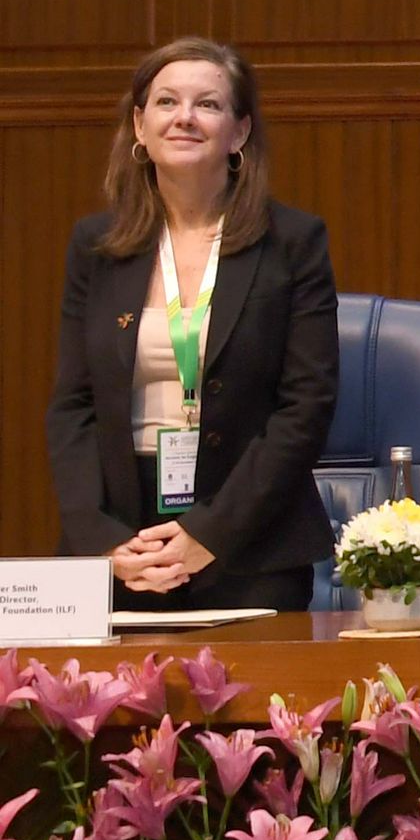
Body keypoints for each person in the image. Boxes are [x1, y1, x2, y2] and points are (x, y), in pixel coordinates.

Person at [49, 38, 338, 612]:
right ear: (140, 125)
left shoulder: (292, 243)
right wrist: (101, 541)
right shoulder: (96, 245)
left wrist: (210, 533)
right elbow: (73, 406)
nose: (184, 117)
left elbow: (306, 406)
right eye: (166, 101)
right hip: (121, 548)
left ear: (239, 132)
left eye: (207, 104)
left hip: (249, 546)